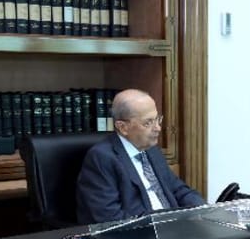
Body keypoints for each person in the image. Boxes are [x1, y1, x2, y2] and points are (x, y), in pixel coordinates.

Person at [76, 89, 205, 224]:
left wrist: (204, 209)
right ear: (123, 127)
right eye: (148, 123)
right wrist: (158, 225)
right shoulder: (102, 158)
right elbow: (108, 217)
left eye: (157, 119)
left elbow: (178, 190)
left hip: (172, 226)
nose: (158, 128)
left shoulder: (151, 149)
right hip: (139, 231)